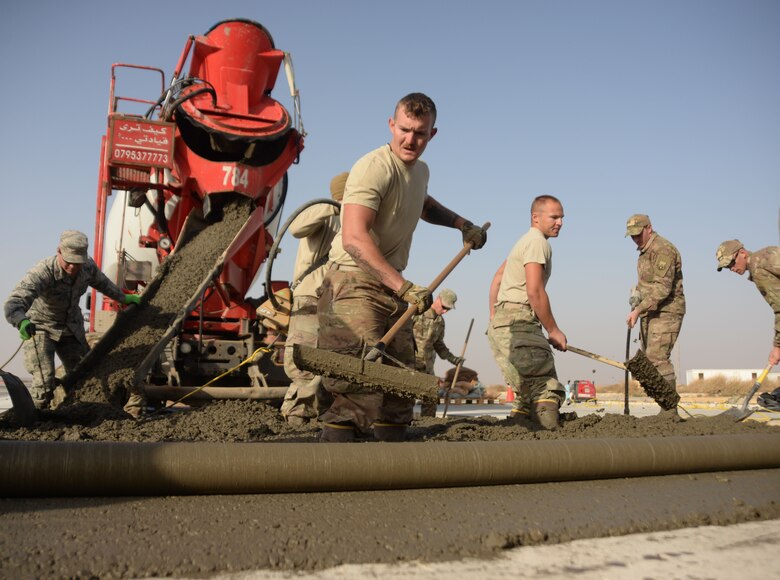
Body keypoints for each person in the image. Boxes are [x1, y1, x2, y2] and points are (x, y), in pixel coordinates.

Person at [316, 92, 487, 442]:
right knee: (358, 380)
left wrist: (461, 223)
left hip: (389, 285)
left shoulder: (419, 170)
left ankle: (392, 468)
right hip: (354, 280)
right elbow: (353, 238)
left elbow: (422, 203)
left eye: (420, 133)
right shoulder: (373, 167)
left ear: (432, 134)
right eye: (405, 130)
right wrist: (404, 287)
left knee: (401, 386)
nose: (411, 140)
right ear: (392, 125)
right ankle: (336, 471)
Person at [4, 230, 140, 410]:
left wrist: (124, 298)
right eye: (68, 262)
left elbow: (104, 285)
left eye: (77, 263)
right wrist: (21, 320)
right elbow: (14, 301)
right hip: (41, 327)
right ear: (58, 251)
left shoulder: (87, 268)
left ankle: (77, 411)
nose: (72, 268)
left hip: (71, 328)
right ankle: (35, 420)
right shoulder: (43, 271)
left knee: (85, 374)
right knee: (44, 381)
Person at [487, 195, 566, 430]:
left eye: (562, 217)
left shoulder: (521, 242)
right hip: (520, 319)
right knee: (544, 385)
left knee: (524, 390)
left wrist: (495, 318)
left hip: (502, 325)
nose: (560, 222)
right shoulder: (537, 242)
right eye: (554, 217)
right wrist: (553, 329)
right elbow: (534, 291)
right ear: (535, 217)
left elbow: (497, 279)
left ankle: (523, 435)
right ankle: (552, 449)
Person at [281, 173, 347, 425]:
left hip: (339, 301)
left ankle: (320, 418)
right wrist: (333, 206)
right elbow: (297, 228)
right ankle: (296, 418)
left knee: (333, 363)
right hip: (310, 296)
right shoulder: (325, 210)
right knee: (304, 361)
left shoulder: (356, 218)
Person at [625, 214, 686, 393]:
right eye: (632, 236)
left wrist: (638, 310)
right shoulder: (644, 252)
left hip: (667, 310)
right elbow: (647, 284)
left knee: (657, 358)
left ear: (649, 228)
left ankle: (669, 412)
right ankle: (664, 409)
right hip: (650, 311)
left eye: (638, 234)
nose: (635, 239)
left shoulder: (663, 250)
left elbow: (662, 289)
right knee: (649, 360)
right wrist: (637, 296)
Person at [715, 240, 779, 408]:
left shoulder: (758, 270)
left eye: (732, 263)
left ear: (742, 253)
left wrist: (777, 346)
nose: (732, 268)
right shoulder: (767, 253)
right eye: (728, 267)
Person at [412, 288, 464, 417]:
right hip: (410, 363)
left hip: (427, 365)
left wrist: (453, 359)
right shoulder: (416, 313)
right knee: (405, 396)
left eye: (449, 309)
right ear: (437, 299)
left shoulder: (440, 322)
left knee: (430, 397)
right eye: (444, 307)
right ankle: (401, 424)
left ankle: (428, 424)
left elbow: (438, 344)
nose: (445, 311)